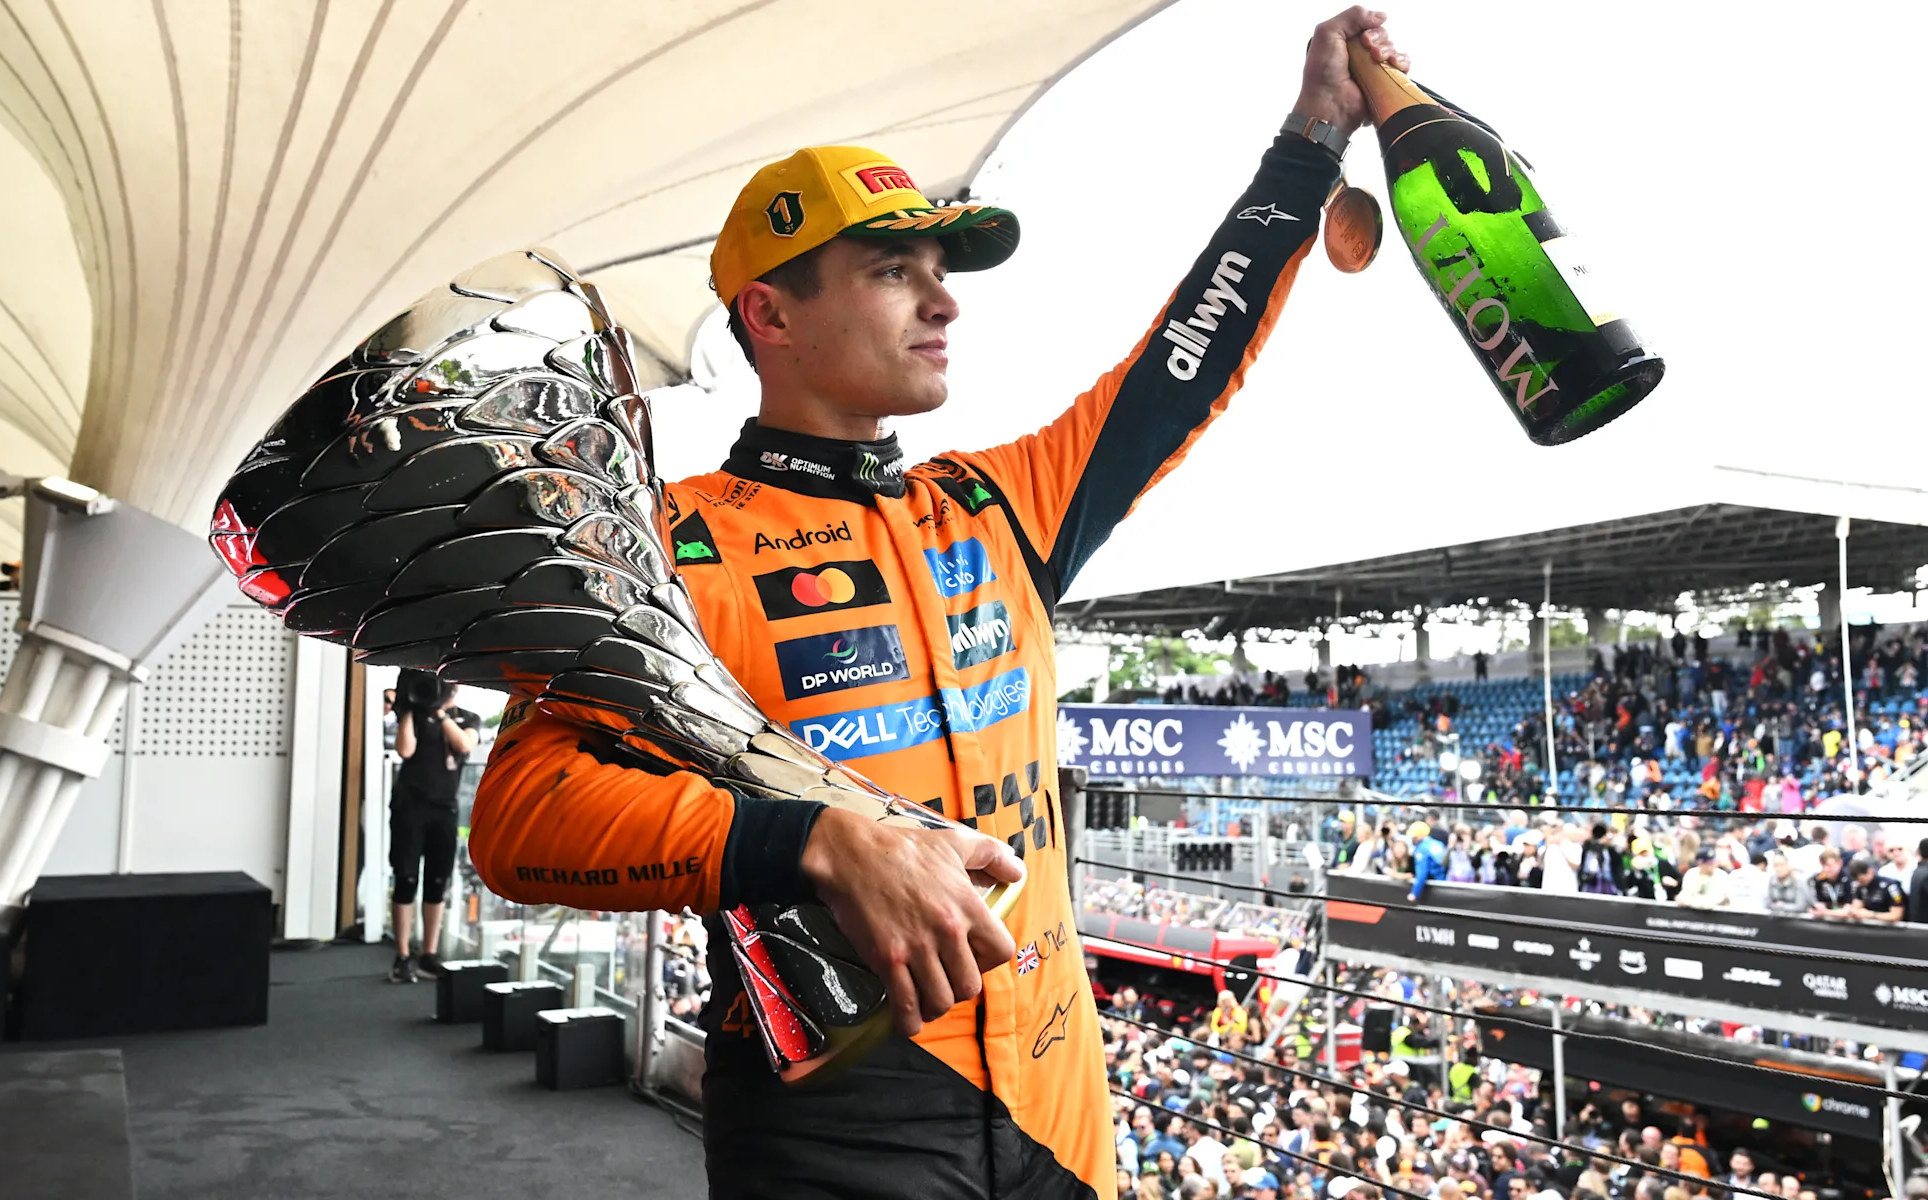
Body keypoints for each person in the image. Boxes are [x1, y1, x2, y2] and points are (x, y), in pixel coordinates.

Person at [465, 11, 1410, 1196]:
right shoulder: (670, 543)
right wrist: (810, 841)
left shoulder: (996, 506)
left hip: (1063, 1105)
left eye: (941, 272)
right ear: (771, 315)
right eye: (892, 270)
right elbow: (519, 818)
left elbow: (1185, 363)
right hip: (835, 1112)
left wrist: (1314, 137)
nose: (943, 302)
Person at [386, 670, 480, 983]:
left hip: (445, 809)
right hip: (409, 808)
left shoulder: (467, 718)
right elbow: (405, 750)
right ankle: (402, 955)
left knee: (437, 883)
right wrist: (410, 709)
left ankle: (429, 953)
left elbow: (465, 745)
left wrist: (440, 714)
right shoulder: (413, 713)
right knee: (406, 878)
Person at [1847, 856, 1906, 923]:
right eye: (1857, 881)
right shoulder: (1859, 886)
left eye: (1862, 881)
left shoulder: (1891, 887)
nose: (1859, 884)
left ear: (1870, 872)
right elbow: (1856, 908)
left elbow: (1896, 916)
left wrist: (1871, 915)